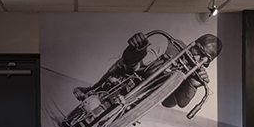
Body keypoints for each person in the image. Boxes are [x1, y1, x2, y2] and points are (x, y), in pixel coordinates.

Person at [74, 32, 221, 111]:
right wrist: (138, 49)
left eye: (205, 57)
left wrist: (191, 85)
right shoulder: (170, 45)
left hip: (139, 101)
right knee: (122, 63)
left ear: (209, 63)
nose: (197, 57)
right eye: (198, 50)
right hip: (133, 76)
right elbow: (133, 65)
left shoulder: (195, 75)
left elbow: (169, 103)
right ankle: (93, 89)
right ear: (193, 43)